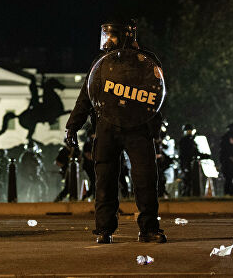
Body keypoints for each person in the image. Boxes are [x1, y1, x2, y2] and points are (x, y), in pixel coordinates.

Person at [65, 20, 167, 244]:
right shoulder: (101, 63)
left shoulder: (145, 62)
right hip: (107, 127)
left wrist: (154, 128)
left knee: (145, 179)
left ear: (126, 36)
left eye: (113, 35)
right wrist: (73, 124)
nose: (108, 40)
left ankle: (149, 229)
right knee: (105, 181)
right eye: (106, 35)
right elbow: (87, 96)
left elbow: (157, 96)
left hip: (138, 128)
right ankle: (104, 229)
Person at [178, 124, 210, 196]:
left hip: (191, 163)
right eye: (188, 131)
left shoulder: (192, 140)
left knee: (192, 181)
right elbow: (185, 154)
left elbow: (195, 152)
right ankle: (186, 195)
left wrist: (203, 156)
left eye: (191, 131)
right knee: (187, 181)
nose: (190, 132)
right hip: (186, 163)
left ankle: (191, 195)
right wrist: (185, 165)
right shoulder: (184, 141)